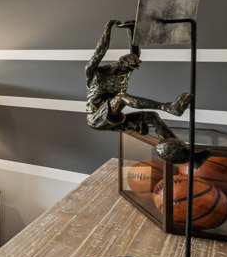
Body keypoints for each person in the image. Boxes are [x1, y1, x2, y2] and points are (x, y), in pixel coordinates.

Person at [85, 19, 199, 165]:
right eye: (126, 68)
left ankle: (189, 157)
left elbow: (135, 53)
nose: (127, 72)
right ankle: (167, 107)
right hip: (96, 118)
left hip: (115, 118)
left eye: (130, 69)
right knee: (121, 97)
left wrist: (132, 30)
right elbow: (100, 51)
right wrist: (108, 28)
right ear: (120, 62)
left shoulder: (125, 72)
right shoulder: (96, 73)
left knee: (152, 117)